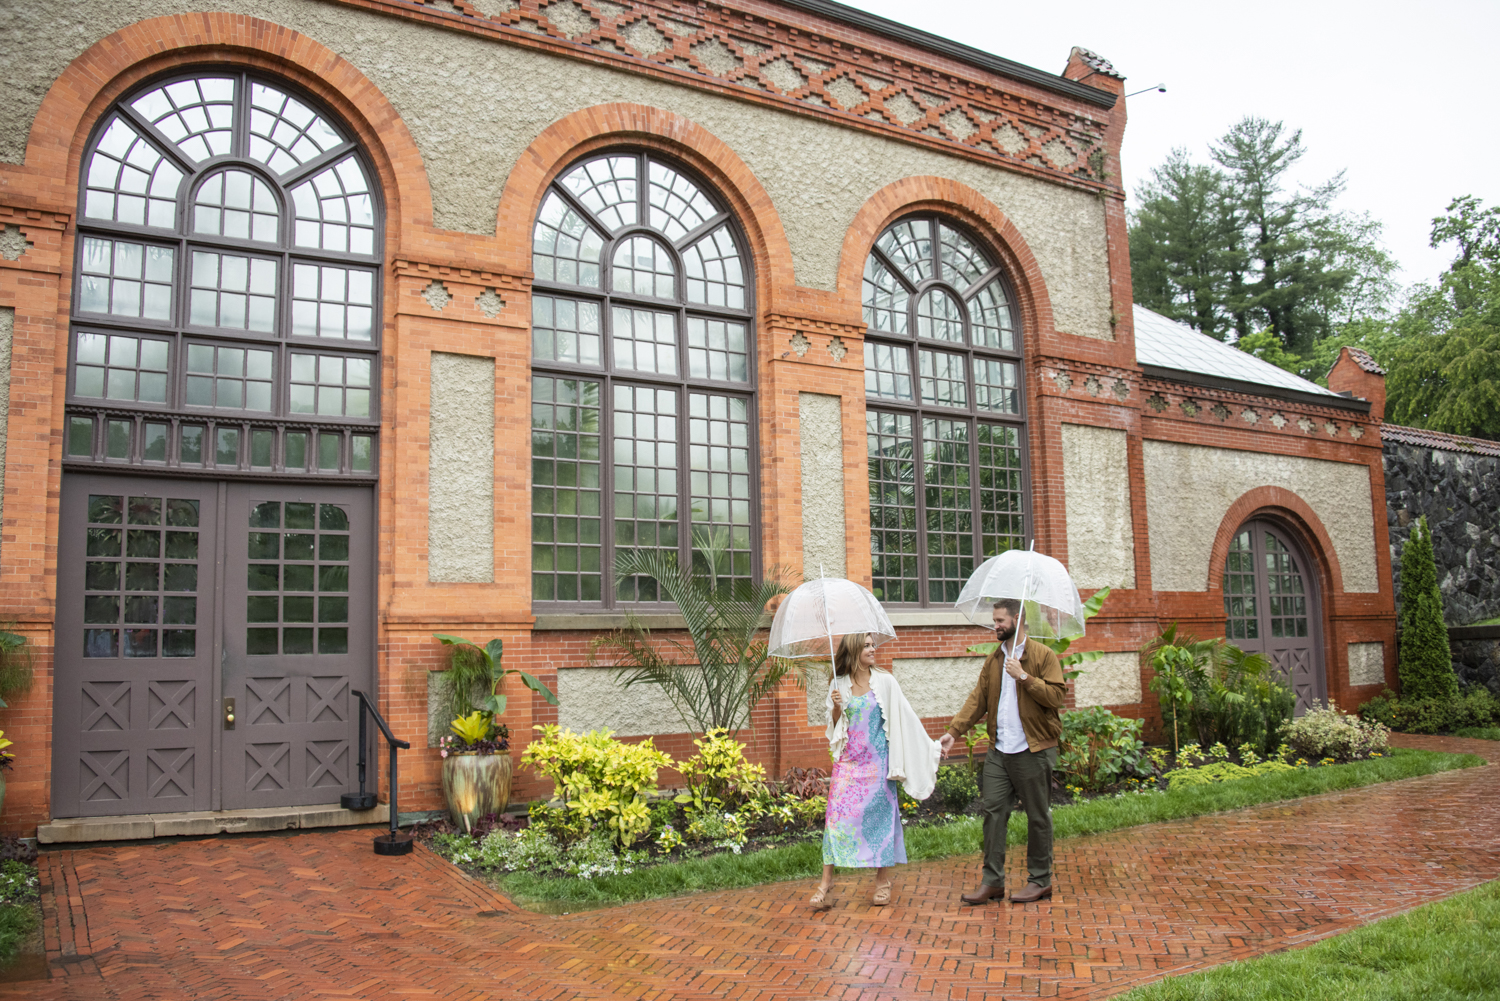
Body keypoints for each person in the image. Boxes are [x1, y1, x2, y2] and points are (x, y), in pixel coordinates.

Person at [938, 598, 1066, 904]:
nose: (995, 625)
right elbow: (977, 699)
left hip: (1032, 750)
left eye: (1000, 621)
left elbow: (1056, 697)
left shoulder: (1042, 655)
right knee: (993, 812)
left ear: (1017, 619)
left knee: (1038, 817)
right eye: (994, 620)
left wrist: (1023, 676)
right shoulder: (995, 659)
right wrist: (954, 732)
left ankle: (1040, 880)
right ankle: (992, 881)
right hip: (999, 751)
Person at [811, 631, 940, 910]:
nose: (872, 649)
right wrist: (835, 708)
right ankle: (826, 883)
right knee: (835, 821)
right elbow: (835, 730)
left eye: (873, 645)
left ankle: (882, 882)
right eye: (867, 645)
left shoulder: (886, 682)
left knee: (881, 822)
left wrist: (931, 747)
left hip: (877, 765)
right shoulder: (839, 683)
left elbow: (905, 718)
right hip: (848, 764)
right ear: (855, 650)